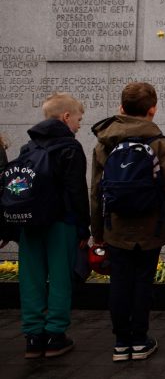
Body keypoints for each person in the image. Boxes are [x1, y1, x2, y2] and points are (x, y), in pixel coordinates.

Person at [91, 82, 165, 362]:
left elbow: (96, 191)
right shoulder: (160, 143)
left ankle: (121, 342)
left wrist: (97, 230)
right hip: (151, 227)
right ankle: (140, 340)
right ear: (152, 110)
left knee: (119, 281)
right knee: (143, 282)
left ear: (121, 108)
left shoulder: (104, 142)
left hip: (115, 227)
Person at [6, 94, 90, 359]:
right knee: (60, 279)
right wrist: (83, 227)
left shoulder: (27, 148)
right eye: (78, 119)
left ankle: (33, 336)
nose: (79, 125)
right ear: (66, 117)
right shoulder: (70, 147)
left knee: (30, 279)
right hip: (60, 223)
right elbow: (77, 191)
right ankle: (55, 335)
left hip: (28, 223)